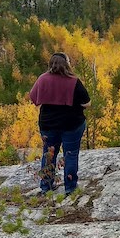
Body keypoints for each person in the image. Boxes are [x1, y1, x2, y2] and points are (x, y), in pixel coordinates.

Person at [29, 52, 91, 196]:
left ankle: (46, 187)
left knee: (49, 154)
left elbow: (33, 98)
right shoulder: (73, 81)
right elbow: (87, 103)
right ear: (67, 64)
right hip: (71, 124)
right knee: (70, 154)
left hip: (48, 124)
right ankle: (70, 188)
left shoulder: (42, 79)